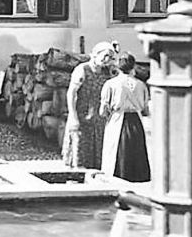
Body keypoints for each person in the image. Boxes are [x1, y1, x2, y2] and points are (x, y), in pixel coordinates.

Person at [62, 41, 117, 169]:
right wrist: (73, 115)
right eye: (104, 56)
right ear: (95, 55)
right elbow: (72, 93)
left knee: (99, 152)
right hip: (83, 114)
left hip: (99, 117)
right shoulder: (83, 69)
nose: (106, 60)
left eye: (109, 57)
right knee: (81, 150)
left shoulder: (108, 72)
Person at [99, 52, 150, 182]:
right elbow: (145, 110)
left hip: (117, 119)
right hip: (136, 121)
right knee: (136, 150)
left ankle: (116, 175)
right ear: (133, 66)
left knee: (115, 149)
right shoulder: (141, 85)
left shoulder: (110, 84)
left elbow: (103, 111)